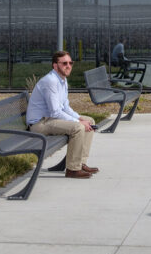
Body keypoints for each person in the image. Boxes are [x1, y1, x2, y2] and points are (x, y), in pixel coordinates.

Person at [25, 50, 98, 179]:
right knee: (78, 128)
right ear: (55, 65)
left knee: (90, 121)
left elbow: (65, 107)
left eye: (71, 63)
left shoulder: (62, 80)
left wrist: (80, 118)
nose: (68, 66)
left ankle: (80, 163)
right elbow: (55, 112)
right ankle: (72, 170)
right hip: (39, 124)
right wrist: (78, 122)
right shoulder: (51, 81)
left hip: (50, 119)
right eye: (64, 63)